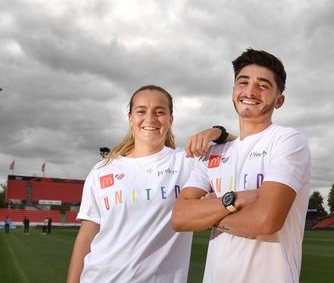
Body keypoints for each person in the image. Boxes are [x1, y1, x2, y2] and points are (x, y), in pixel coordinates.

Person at [173, 49, 312, 283]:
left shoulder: (288, 140)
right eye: (243, 82)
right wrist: (236, 199)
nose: (250, 91)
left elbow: (265, 220)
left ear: (279, 101)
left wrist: (208, 214)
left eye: (263, 85)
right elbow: (179, 218)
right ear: (234, 91)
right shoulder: (214, 151)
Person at [67, 85, 229, 283]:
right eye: (141, 111)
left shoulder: (187, 162)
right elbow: (86, 237)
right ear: (130, 118)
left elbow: (244, 149)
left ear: (171, 119)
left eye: (159, 112)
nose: (150, 118)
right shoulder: (102, 170)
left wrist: (217, 132)